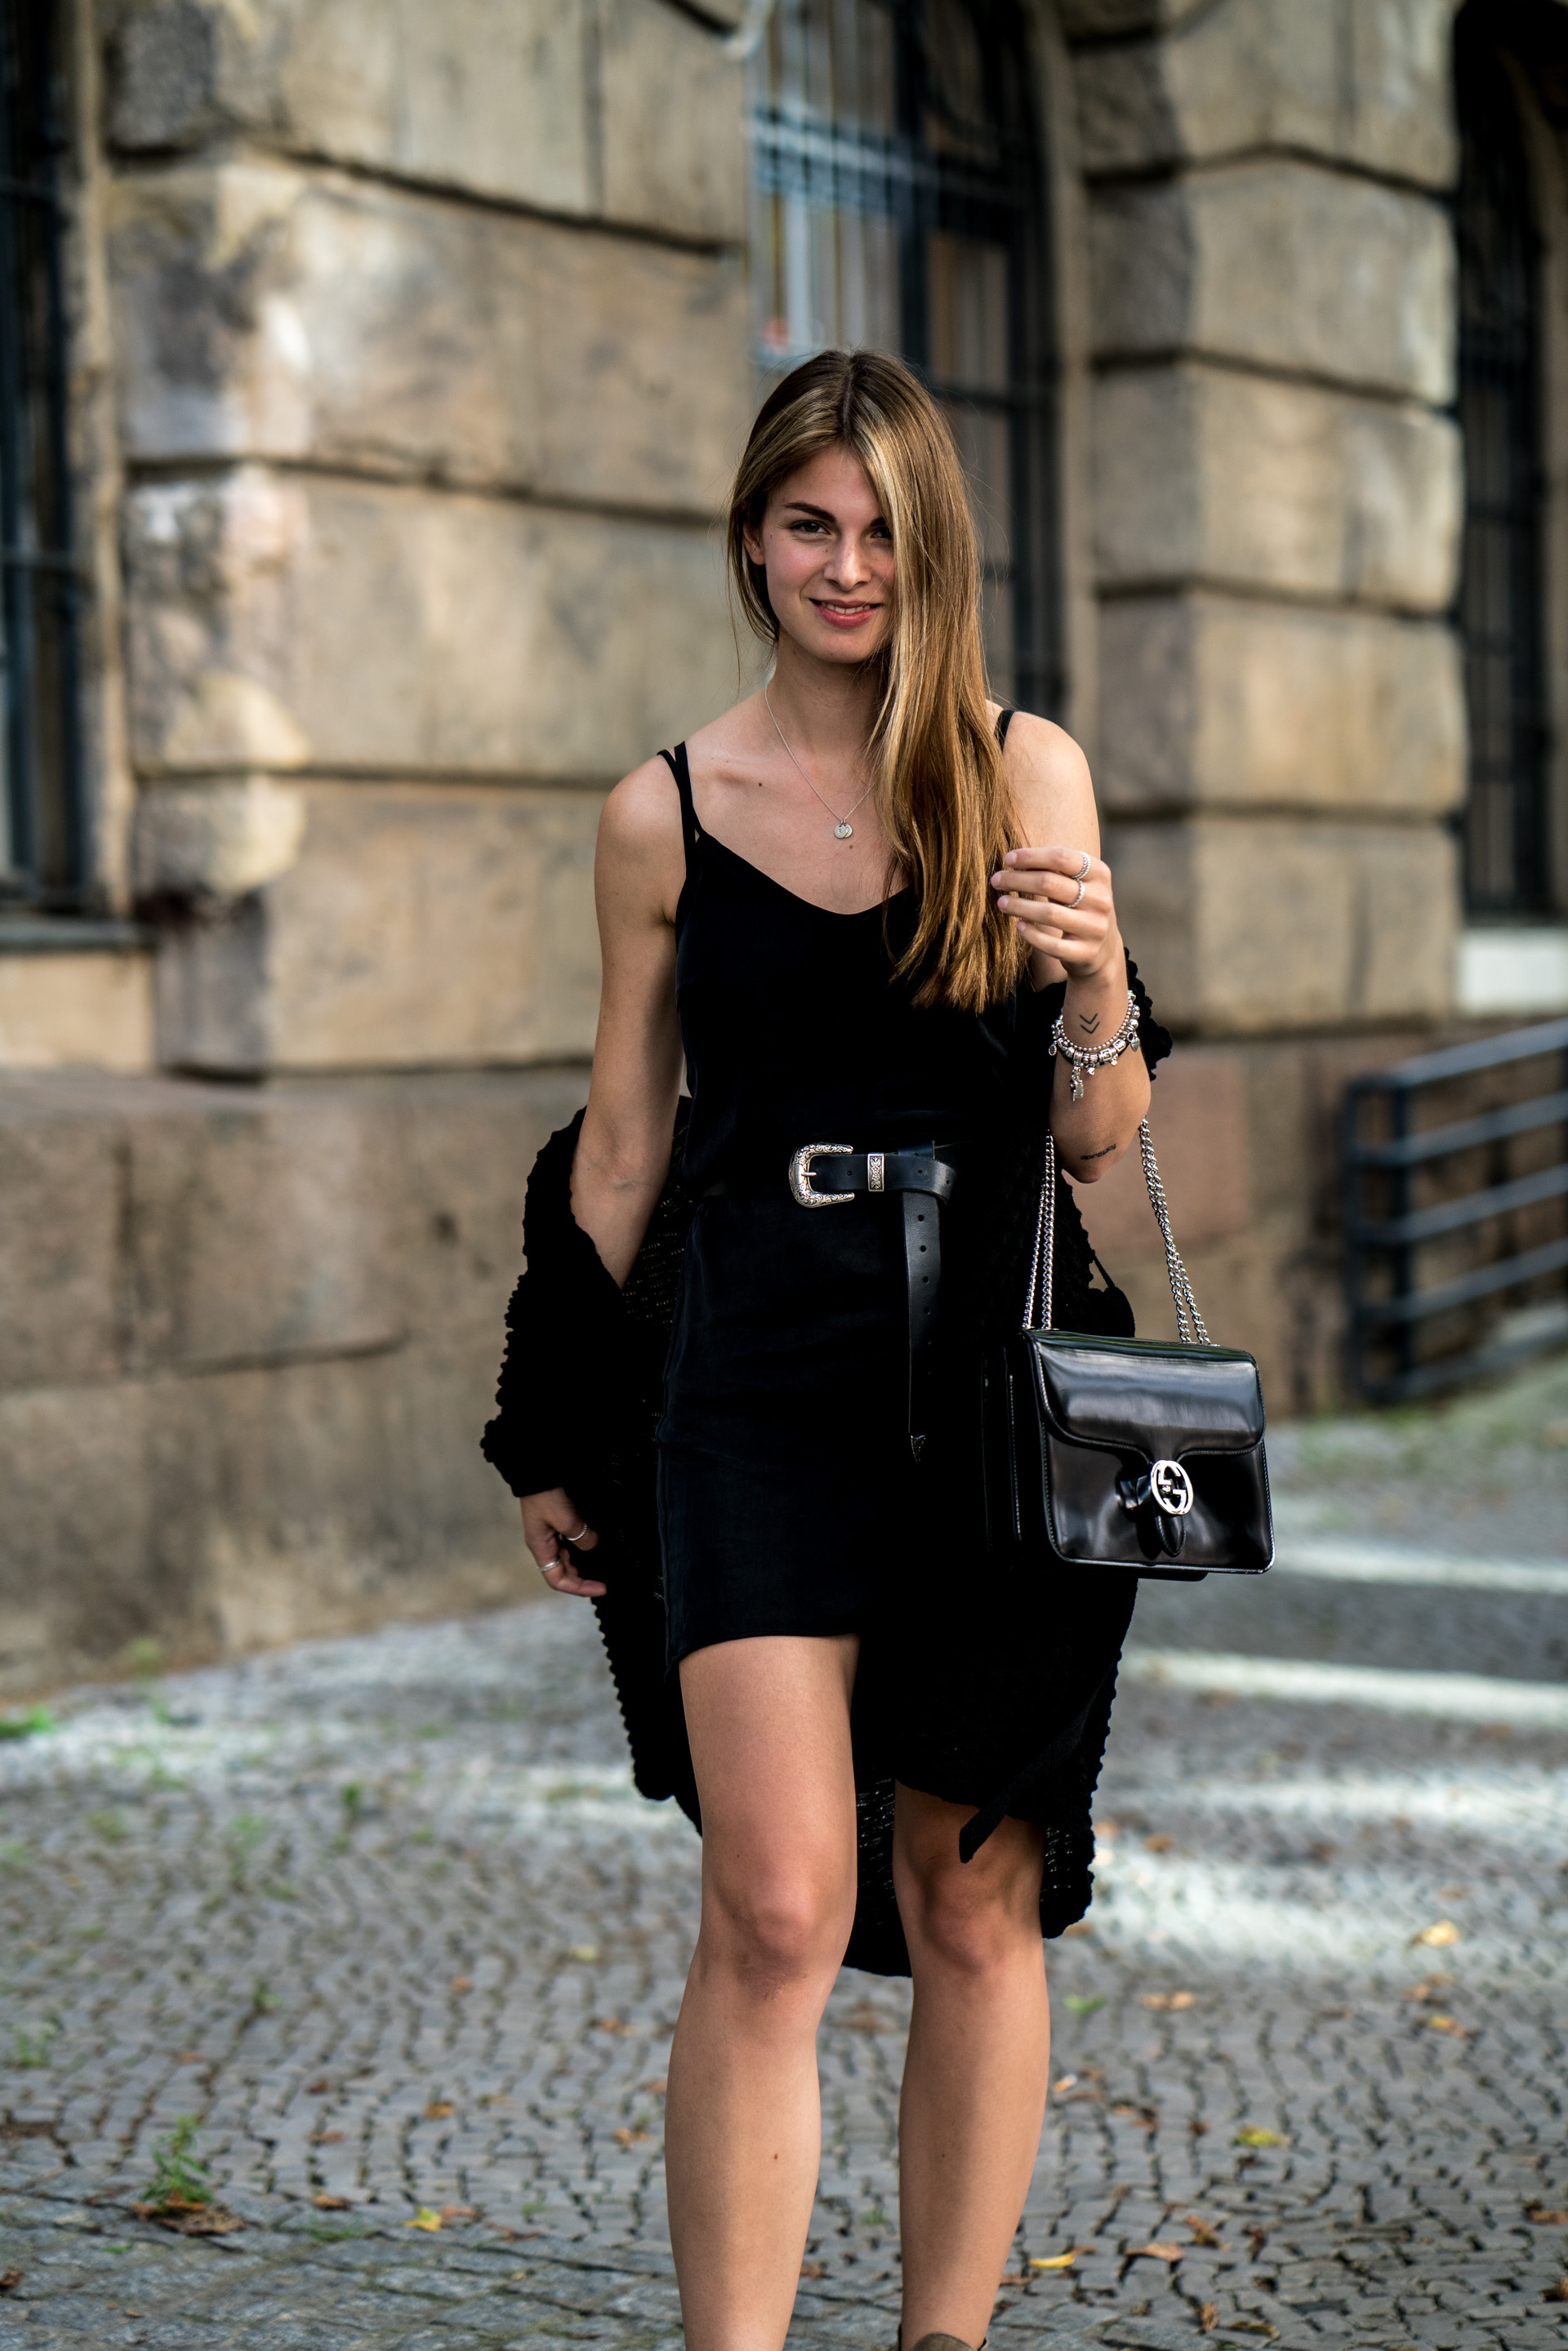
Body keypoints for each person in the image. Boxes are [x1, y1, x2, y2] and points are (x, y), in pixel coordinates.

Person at [487, 349, 1165, 2351]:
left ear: (926, 541)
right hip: (753, 1382)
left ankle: (941, 2339)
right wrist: (547, 1411)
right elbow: (622, 1142)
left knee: (975, 1895)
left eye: (880, 528)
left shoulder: (1019, 769)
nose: (845, 566)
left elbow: (1104, 1157)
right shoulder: (661, 813)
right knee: (774, 1903)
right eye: (808, 524)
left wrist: (1105, 981)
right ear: (752, 538)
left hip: (990, 1388)